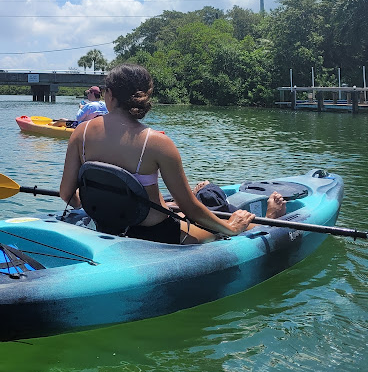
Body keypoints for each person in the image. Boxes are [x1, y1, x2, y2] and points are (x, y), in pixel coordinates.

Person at [59, 63, 286, 244]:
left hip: (105, 225)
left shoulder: (81, 132)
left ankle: (234, 211)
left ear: (108, 94)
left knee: (184, 209)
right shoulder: (158, 142)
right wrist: (231, 227)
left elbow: (68, 195)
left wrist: (105, 204)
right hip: (157, 234)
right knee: (218, 230)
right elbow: (189, 208)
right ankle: (269, 221)